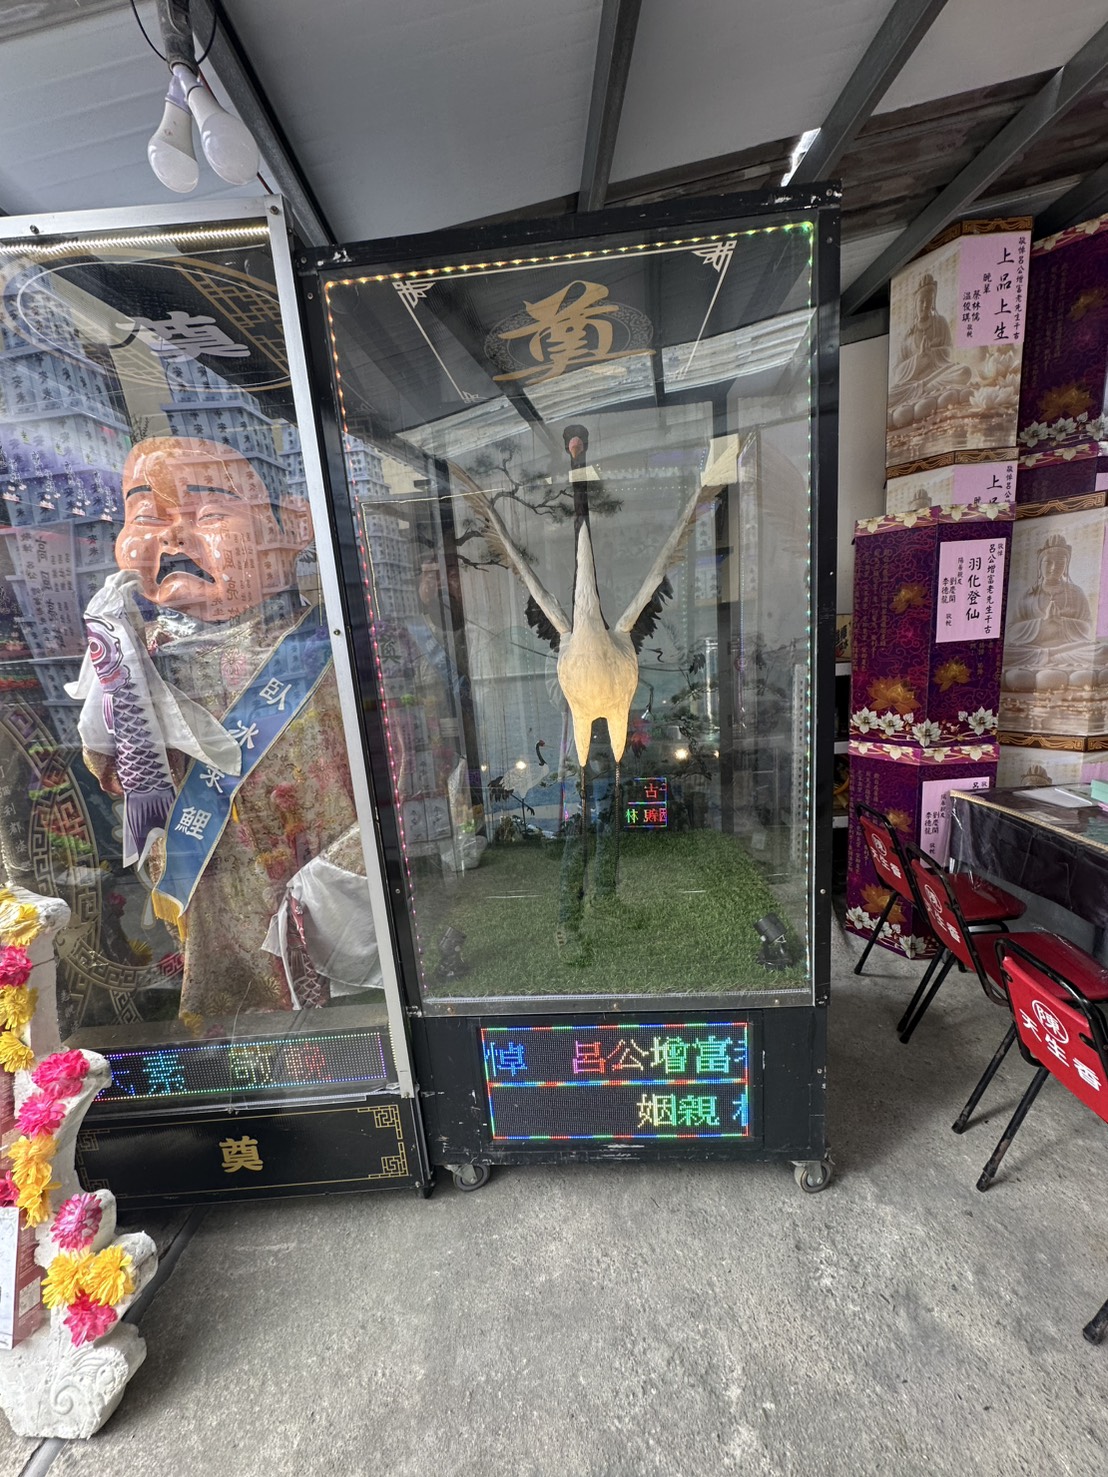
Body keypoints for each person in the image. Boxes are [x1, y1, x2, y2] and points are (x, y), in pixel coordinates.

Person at [70, 435, 369, 1022]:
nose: (172, 538)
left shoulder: (337, 645)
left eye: (208, 513)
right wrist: (114, 661)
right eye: (147, 518)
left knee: (340, 1013)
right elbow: (117, 772)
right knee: (233, 1015)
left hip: (321, 872)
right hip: (211, 877)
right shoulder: (138, 659)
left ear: (295, 526)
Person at [1002, 533, 1096, 689]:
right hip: (1031, 650)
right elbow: (1011, 630)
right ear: (1040, 565)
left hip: (1068, 649)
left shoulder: (1076, 593)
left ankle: (1049, 657)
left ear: (1066, 567)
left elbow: (1087, 626)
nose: (1053, 568)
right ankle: (1049, 657)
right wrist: (1042, 623)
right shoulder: (1028, 594)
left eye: (1060, 564)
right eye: (1048, 563)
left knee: (1102, 650)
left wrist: (1063, 623)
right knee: (1004, 653)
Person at [887, 272, 972, 427]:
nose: (925, 305)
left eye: (929, 301)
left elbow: (949, 352)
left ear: (933, 302)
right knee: (889, 395)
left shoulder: (941, 323)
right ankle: (926, 394)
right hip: (913, 384)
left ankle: (925, 394)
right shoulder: (908, 336)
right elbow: (897, 372)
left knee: (964, 371)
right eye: (922, 301)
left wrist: (932, 353)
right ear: (915, 303)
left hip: (937, 375)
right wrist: (918, 359)